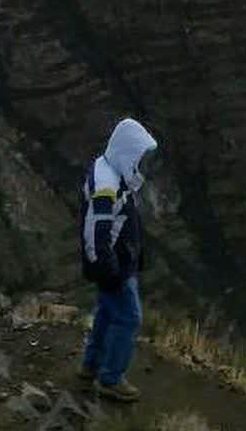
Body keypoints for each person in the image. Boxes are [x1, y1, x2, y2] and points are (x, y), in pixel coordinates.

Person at [78, 117, 158, 403]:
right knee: (129, 318)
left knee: (106, 314)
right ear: (127, 154)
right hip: (113, 268)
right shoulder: (106, 188)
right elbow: (96, 234)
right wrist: (110, 271)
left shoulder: (112, 173)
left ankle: (91, 366)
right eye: (139, 156)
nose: (142, 164)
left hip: (116, 265)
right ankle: (111, 379)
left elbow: (124, 223)